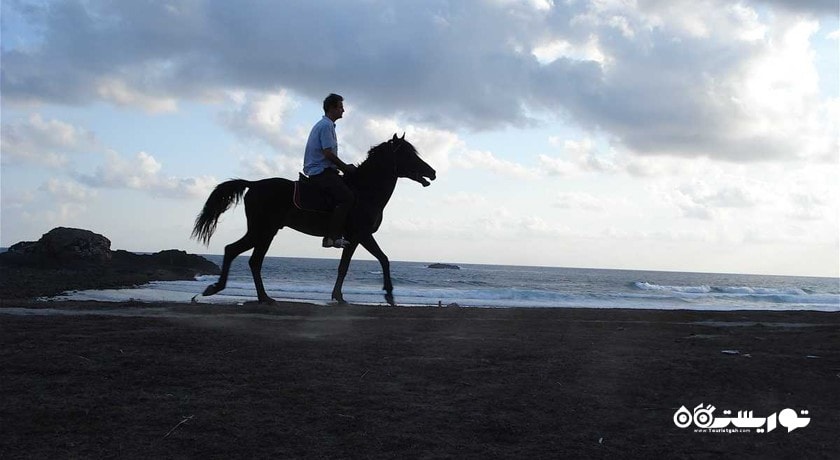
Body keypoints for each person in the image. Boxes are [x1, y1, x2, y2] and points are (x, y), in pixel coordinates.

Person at [303, 93, 356, 248]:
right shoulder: (326, 126)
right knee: (347, 198)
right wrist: (345, 168)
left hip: (322, 169)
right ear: (332, 108)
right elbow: (328, 154)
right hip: (320, 171)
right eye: (340, 107)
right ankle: (333, 237)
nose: (343, 110)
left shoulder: (325, 125)